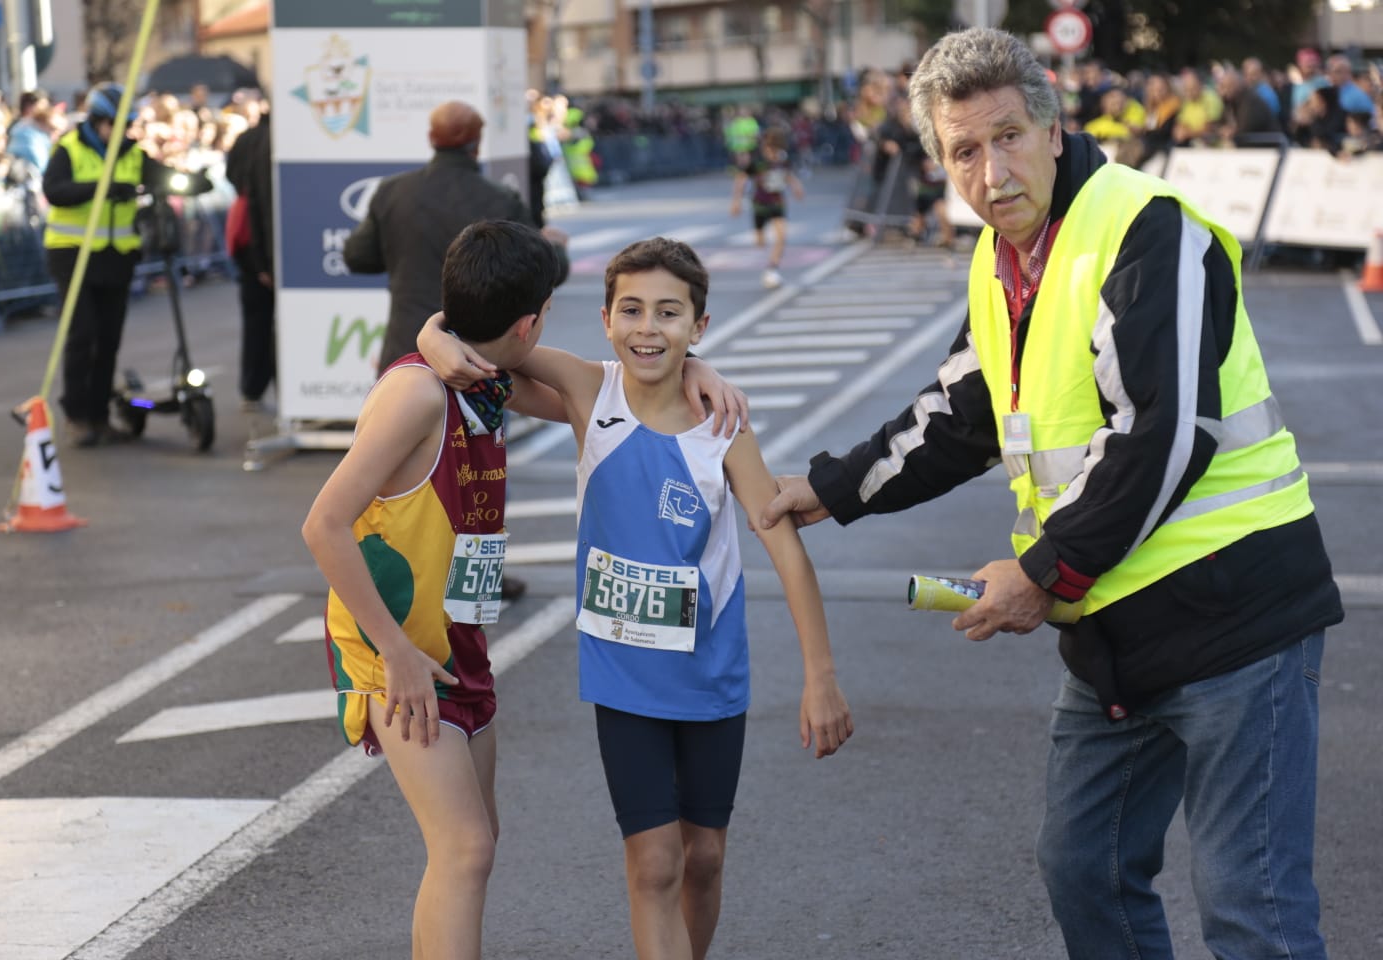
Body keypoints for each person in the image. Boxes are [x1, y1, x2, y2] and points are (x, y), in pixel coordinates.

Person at [760, 27, 1343, 960]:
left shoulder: (1146, 227)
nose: (992, 173)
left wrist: (1042, 572)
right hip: (1114, 630)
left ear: (1053, 130)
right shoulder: (1002, 264)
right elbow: (960, 413)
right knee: (1084, 871)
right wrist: (832, 488)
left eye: (1008, 137)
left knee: (1252, 910)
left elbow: (1165, 433)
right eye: (964, 151)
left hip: (1237, 619)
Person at [419, 236, 852, 960]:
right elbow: (486, 343)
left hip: (711, 676)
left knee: (703, 857)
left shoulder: (723, 427)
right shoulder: (590, 389)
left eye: (669, 313)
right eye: (632, 310)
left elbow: (786, 552)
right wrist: (432, 335)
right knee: (654, 864)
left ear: (699, 325)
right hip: (622, 673)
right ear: (606, 319)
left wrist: (822, 677)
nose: (648, 327)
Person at [302, 220, 566, 960]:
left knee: (473, 844)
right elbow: (323, 524)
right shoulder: (418, 394)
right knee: (465, 849)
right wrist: (395, 654)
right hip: (397, 652)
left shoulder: (484, 383)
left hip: (454, 640)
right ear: (531, 321)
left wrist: (689, 372)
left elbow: (586, 393)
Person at [344, 99, 570, 602]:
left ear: (431, 138)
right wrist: (559, 249)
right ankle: (474, 584)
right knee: (476, 476)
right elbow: (540, 270)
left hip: (407, 348)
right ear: (476, 143)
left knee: (397, 482)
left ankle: (408, 577)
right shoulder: (497, 198)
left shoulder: (393, 192)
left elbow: (356, 256)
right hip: (483, 356)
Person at [43, 82, 177, 447]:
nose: (122, 132)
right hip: (73, 253)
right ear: (97, 121)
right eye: (115, 124)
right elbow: (54, 191)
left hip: (116, 256)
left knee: (108, 339)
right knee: (82, 335)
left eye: (127, 125)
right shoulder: (69, 148)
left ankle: (99, 416)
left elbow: (162, 176)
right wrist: (102, 187)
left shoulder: (132, 154)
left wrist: (192, 182)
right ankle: (76, 416)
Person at [224, 97, 275, 411]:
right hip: (260, 247)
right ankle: (264, 389)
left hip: (250, 247)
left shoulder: (247, 139)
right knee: (268, 322)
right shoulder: (270, 141)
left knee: (256, 321)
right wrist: (264, 262)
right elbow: (259, 204)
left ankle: (252, 389)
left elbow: (233, 178)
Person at [729, 126, 804, 289]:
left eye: (776, 149)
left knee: (781, 237)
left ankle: (772, 269)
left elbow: (788, 175)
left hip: (777, 203)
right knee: (760, 242)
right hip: (760, 205)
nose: (773, 153)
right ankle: (766, 254)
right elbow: (741, 179)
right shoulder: (757, 162)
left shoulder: (783, 160)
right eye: (770, 149)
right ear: (765, 147)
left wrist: (797, 187)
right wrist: (736, 201)